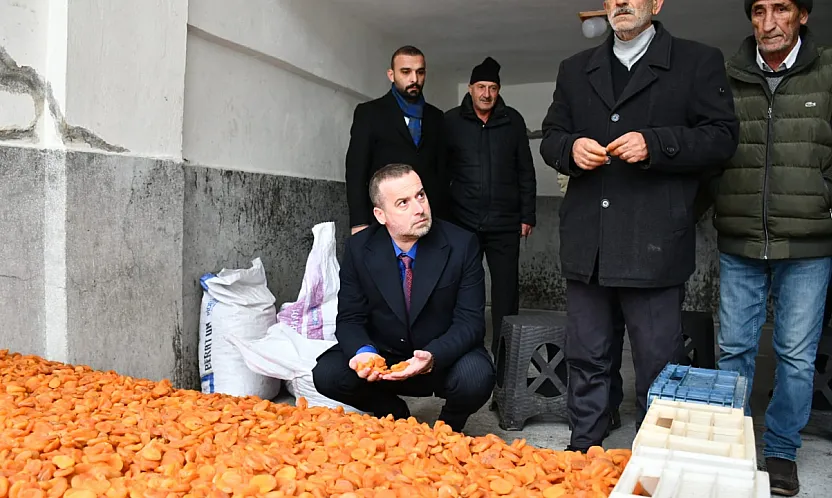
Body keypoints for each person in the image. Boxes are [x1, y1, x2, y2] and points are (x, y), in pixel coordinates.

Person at [539, 0, 739, 452]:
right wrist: (569, 149)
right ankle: (584, 448)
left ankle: (656, 454)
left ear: (657, 3)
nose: (622, 3)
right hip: (589, 241)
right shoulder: (575, 68)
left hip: (653, 243)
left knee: (657, 361)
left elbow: (723, 138)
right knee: (586, 355)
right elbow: (550, 136)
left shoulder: (696, 60)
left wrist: (656, 143)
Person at [704, 1, 829, 494]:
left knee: (795, 354)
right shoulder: (726, 75)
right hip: (740, 238)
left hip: (810, 242)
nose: (768, 22)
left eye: (782, 9)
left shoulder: (827, 72)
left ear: (802, 16)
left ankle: (779, 451)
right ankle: (733, 446)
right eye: (759, 10)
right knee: (733, 347)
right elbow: (710, 148)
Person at [312, 163, 496, 433]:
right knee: (326, 374)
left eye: (420, 196)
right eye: (403, 203)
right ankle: (391, 410)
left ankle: (448, 428)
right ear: (381, 215)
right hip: (384, 358)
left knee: (477, 376)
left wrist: (432, 355)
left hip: (440, 358)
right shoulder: (359, 248)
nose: (419, 208)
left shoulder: (461, 244)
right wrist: (364, 354)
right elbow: (350, 317)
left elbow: (470, 323)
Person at [443, 56, 537, 355]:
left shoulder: (513, 121)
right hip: (462, 221)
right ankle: (462, 346)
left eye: (493, 87)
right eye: (481, 87)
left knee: (506, 291)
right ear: (470, 88)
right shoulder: (451, 121)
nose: (486, 93)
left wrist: (528, 215)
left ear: (499, 90)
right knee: (461, 288)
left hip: (505, 222)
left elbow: (526, 169)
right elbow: (441, 170)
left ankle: (505, 353)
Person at [345, 46, 448, 236]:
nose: (414, 79)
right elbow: (356, 171)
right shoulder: (369, 113)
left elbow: (441, 171)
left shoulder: (436, 117)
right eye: (406, 72)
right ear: (391, 75)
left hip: (428, 221)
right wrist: (359, 222)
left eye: (420, 72)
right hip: (384, 220)